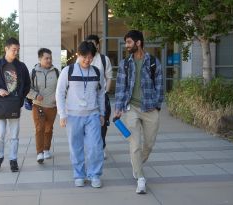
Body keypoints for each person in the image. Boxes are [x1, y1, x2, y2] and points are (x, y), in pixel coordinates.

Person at [114, 30, 164, 194]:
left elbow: (160, 85)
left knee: (148, 144)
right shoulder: (125, 64)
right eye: (126, 43)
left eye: (129, 42)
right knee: (134, 144)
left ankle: (136, 163)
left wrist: (157, 105)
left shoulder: (153, 62)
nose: (126, 46)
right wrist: (118, 108)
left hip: (150, 108)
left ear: (138, 43)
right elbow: (121, 87)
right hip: (131, 109)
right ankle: (141, 178)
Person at [56, 41, 105, 188]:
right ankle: (79, 174)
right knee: (75, 146)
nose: (87, 60)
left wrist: (102, 113)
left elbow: (101, 94)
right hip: (73, 116)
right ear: (79, 55)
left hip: (93, 115)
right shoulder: (68, 71)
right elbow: (59, 93)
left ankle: (94, 174)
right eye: (84, 57)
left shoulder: (97, 72)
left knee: (96, 146)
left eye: (90, 57)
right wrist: (62, 114)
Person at [0, 37, 31, 172]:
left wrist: (20, 98)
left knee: (14, 135)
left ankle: (13, 160)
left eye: (17, 50)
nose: (16, 52)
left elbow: (27, 85)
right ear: (6, 49)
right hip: (0, 104)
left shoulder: (21, 66)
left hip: (14, 105)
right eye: (13, 49)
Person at [26, 48, 58, 163]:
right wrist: (35, 95)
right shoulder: (34, 72)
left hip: (52, 106)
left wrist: (58, 98)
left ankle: (46, 149)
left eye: (50, 58)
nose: (49, 60)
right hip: (38, 105)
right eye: (46, 58)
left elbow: (61, 88)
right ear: (40, 59)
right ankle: (39, 152)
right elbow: (27, 88)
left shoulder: (56, 72)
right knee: (39, 128)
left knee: (48, 129)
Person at [84, 34, 112, 159]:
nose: (90, 45)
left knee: (103, 123)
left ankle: (101, 147)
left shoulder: (103, 59)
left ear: (98, 45)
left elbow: (109, 77)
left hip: (101, 96)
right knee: (88, 124)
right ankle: (91, 146)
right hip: (87, 98)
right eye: (88, 43)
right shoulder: (83, 59)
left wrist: (106, 92)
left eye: (93, 43)